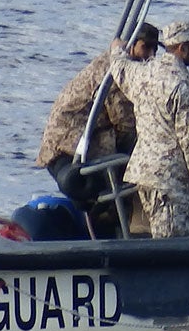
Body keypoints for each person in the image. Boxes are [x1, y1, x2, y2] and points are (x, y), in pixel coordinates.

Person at [114, 20, 189, 238]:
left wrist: (117, 48)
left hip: (146, 176)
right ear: (183, 49)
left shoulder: (144, 73)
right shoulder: (182, 86)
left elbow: (119, 68)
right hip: (169, 183)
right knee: (177, 245)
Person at [36, 23, 159, 201]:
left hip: (64, 142)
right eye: (145, 47)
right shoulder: (116, 74)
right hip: (70, 146)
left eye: (154, 49)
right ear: (130, 45)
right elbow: (125, 124)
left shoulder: (110, 62)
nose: (151, 55)